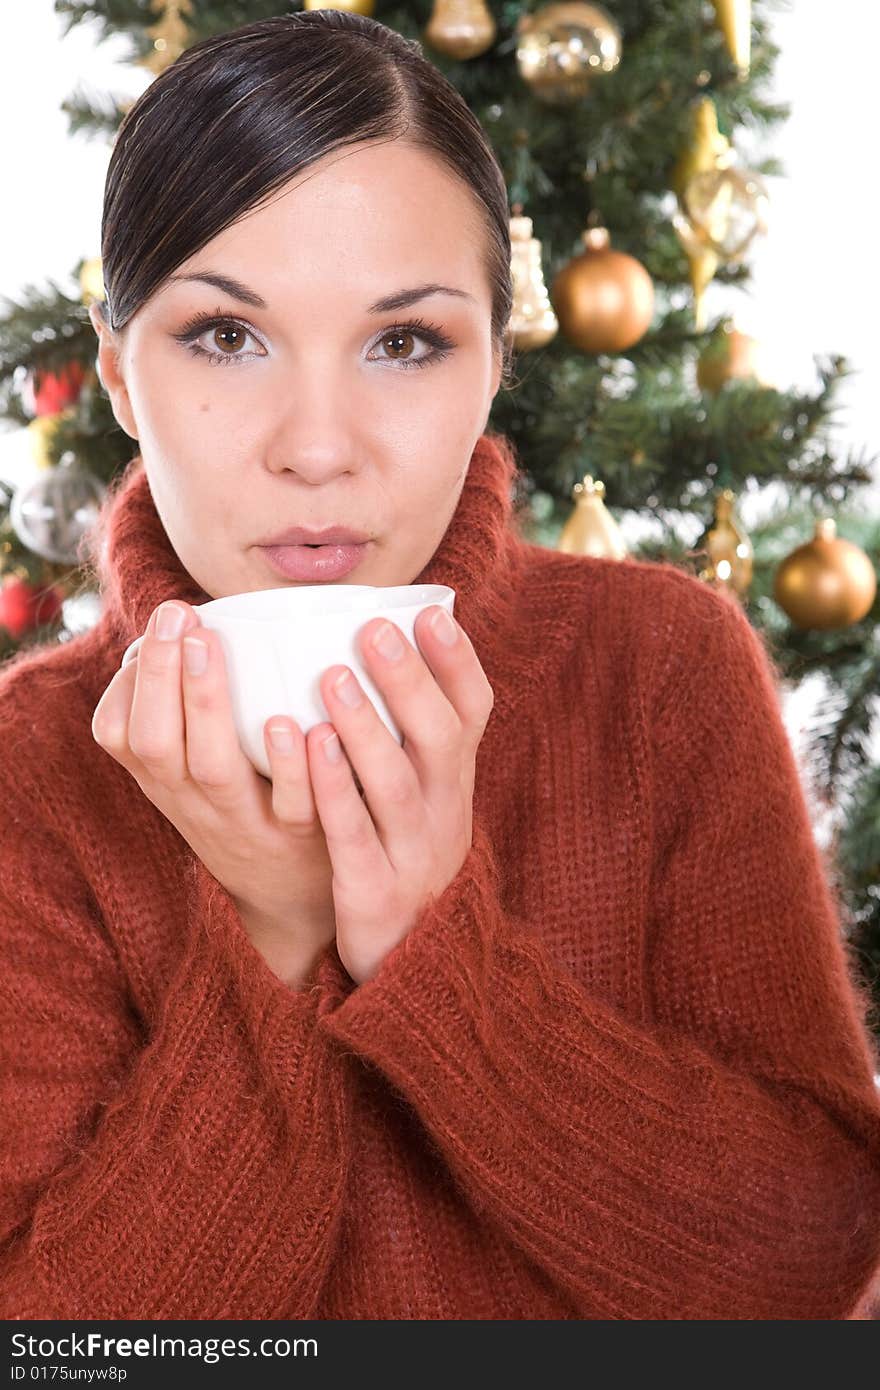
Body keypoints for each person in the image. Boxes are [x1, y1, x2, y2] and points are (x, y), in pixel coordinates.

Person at [1, 10, 879, 1322]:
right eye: (225, 336)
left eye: (403, 341)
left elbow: (808, 1262)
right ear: (119, 367)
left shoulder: (659, 667)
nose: (318, 447)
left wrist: (431, 955)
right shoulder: (31, 763)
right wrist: (275, 938)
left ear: (495, 363)